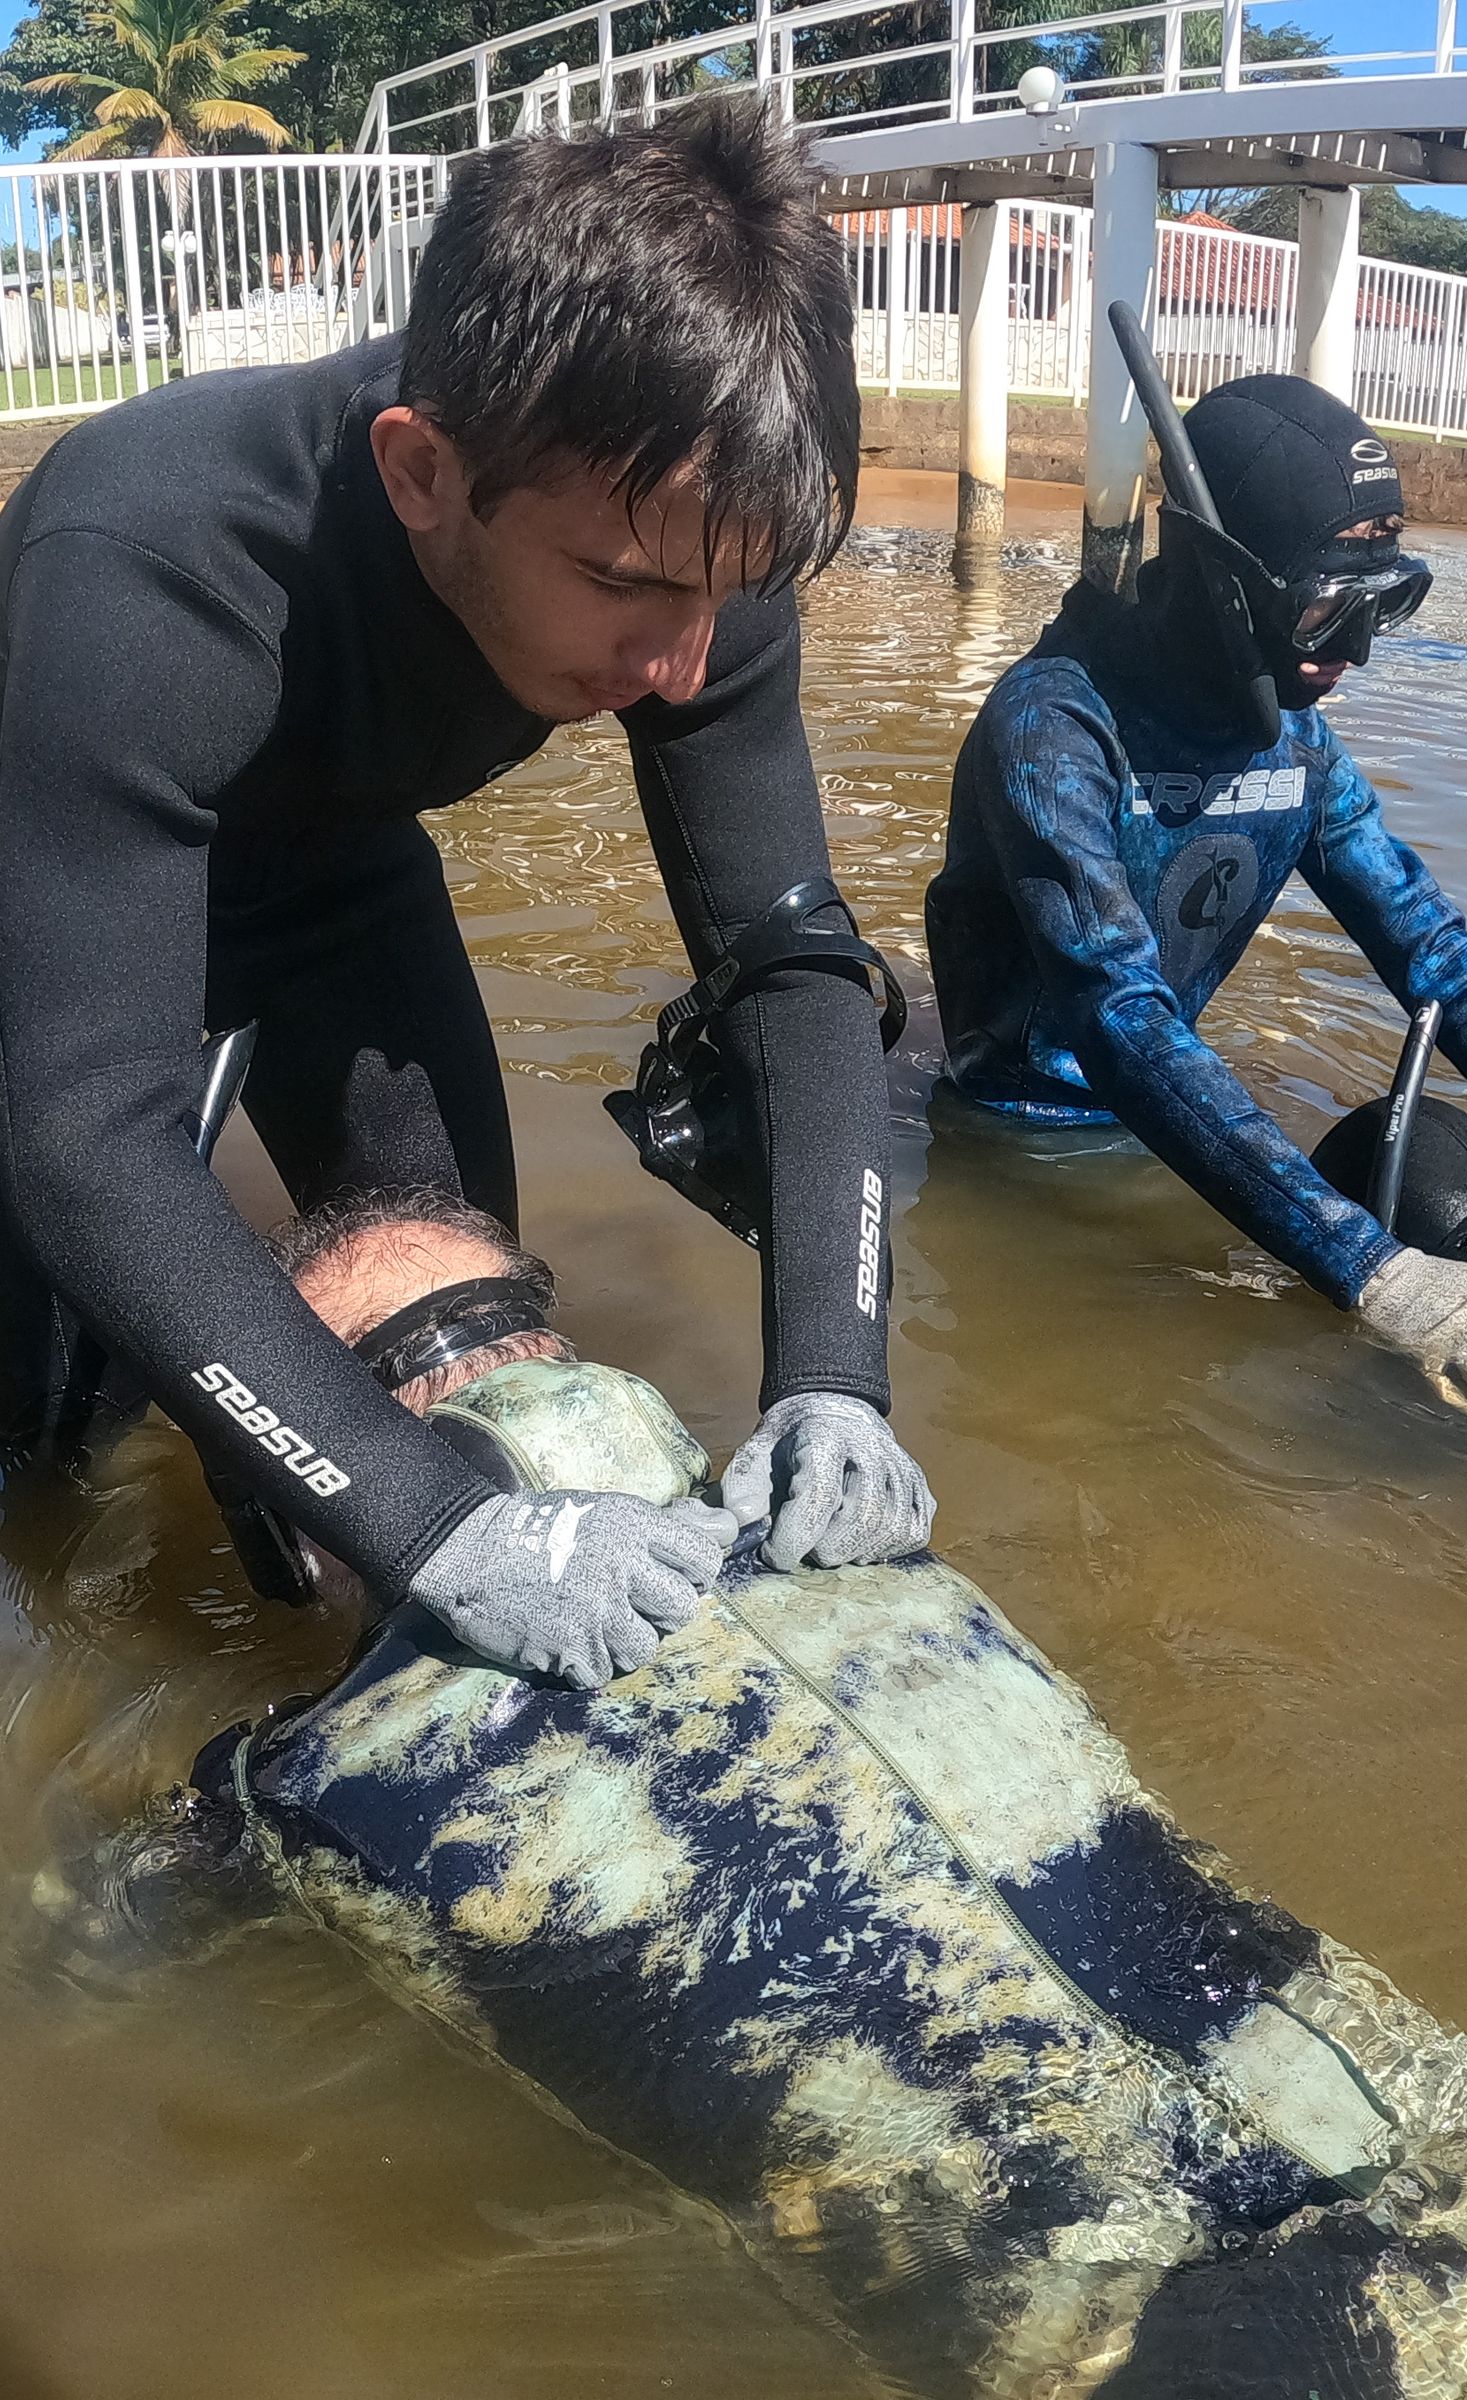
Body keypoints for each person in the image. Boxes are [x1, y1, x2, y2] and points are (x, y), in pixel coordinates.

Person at [106, 1184, 1467, 2396]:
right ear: (559, 1355)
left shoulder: (297, 1784)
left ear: (303, 1492)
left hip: (1195, 2356)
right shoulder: (866, 1535)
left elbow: (86, 1974)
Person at [0, 100, 931, 1682]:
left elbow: (792, 964)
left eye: (730, 588)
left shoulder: (698, 537)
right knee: (45, 1446)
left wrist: (834, 1375)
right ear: (422, 471)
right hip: (51, 878)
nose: (681, 663)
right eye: (626, 587)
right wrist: (443, 1531)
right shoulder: (152, 564)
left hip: (334, 865)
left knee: (477, 1342)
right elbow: (84, 1135)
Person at [928, 373, 1467, 1421]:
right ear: (1222, 579)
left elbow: (1440, 957)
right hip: (1019, 1146)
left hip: (1174, 1126)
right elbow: (1115, 1011)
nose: (1356, 651)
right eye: (1326, 609)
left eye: (1385, 603)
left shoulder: (1298, 743)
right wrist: (1373, 1268)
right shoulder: (1055, 728)